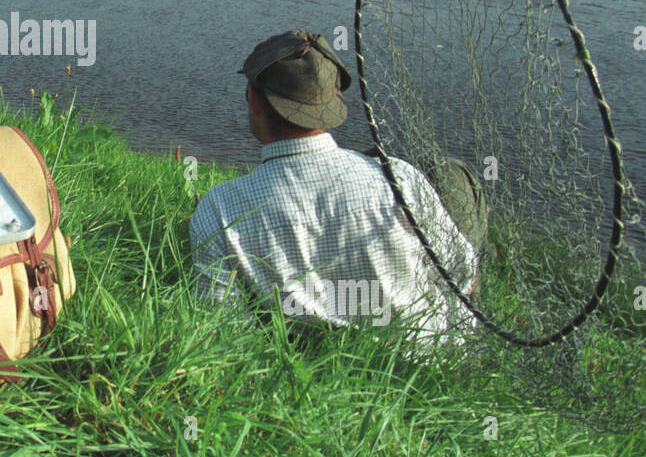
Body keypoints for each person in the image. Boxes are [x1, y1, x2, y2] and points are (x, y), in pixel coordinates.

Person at [189, 30, 485, 341]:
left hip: (311, 365)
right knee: (453, 175)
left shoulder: (219, 209)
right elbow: (463, 275)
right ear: (330, 105)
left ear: (253, 99)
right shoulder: (401, 177)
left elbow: (222, 322)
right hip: (430, 362)